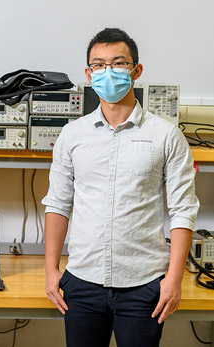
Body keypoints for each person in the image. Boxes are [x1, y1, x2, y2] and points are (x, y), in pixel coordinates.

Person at [42, 27, 199, 347]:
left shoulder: (167, 136)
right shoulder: (72, 136)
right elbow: (58, 204)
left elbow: (183, 209)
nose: (107, 72)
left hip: (145, 285)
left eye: (118, 63)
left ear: (136, 70)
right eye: (98, 65)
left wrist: (175, 278)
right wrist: (50, 269)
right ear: (88, 72)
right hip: (83, 283)